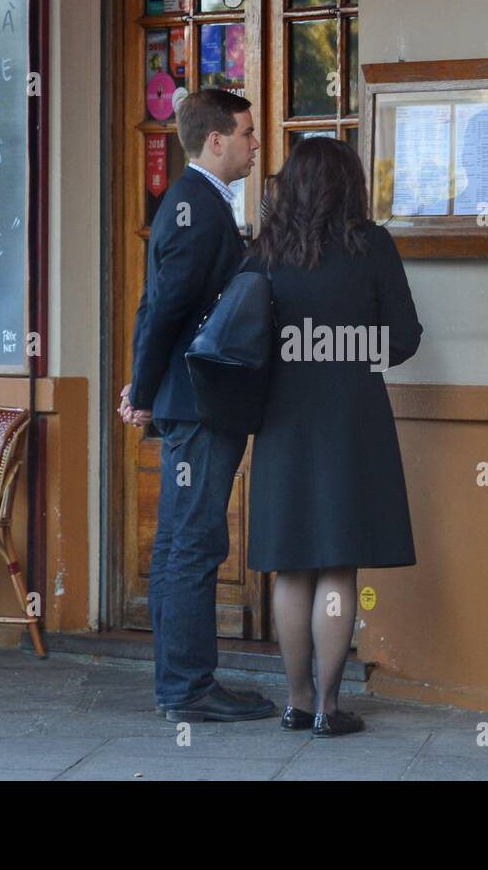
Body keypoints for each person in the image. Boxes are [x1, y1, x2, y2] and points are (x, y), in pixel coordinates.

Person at [243, 137, 423, 736]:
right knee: (338, 566)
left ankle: (294, 702)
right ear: (351, 184)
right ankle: (328, 708)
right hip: (352, 418)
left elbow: (239, 336)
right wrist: (348, 348)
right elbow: (403, 340)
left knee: (291, 566)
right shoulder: (370, 245)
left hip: (282, 418)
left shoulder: (265, 251)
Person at [121, 89, 274, 723]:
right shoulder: (197, 209)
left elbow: (157, 305)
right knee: (194, 542)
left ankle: (181, 682)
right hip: (199, 400)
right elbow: (165, 309)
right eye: (245, 133)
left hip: (190, 397)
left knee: (181, 542)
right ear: (215, 140)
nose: (254, 144)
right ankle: (188, 688)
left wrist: (143, 385)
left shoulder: (193, 204)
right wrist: (145, 389)